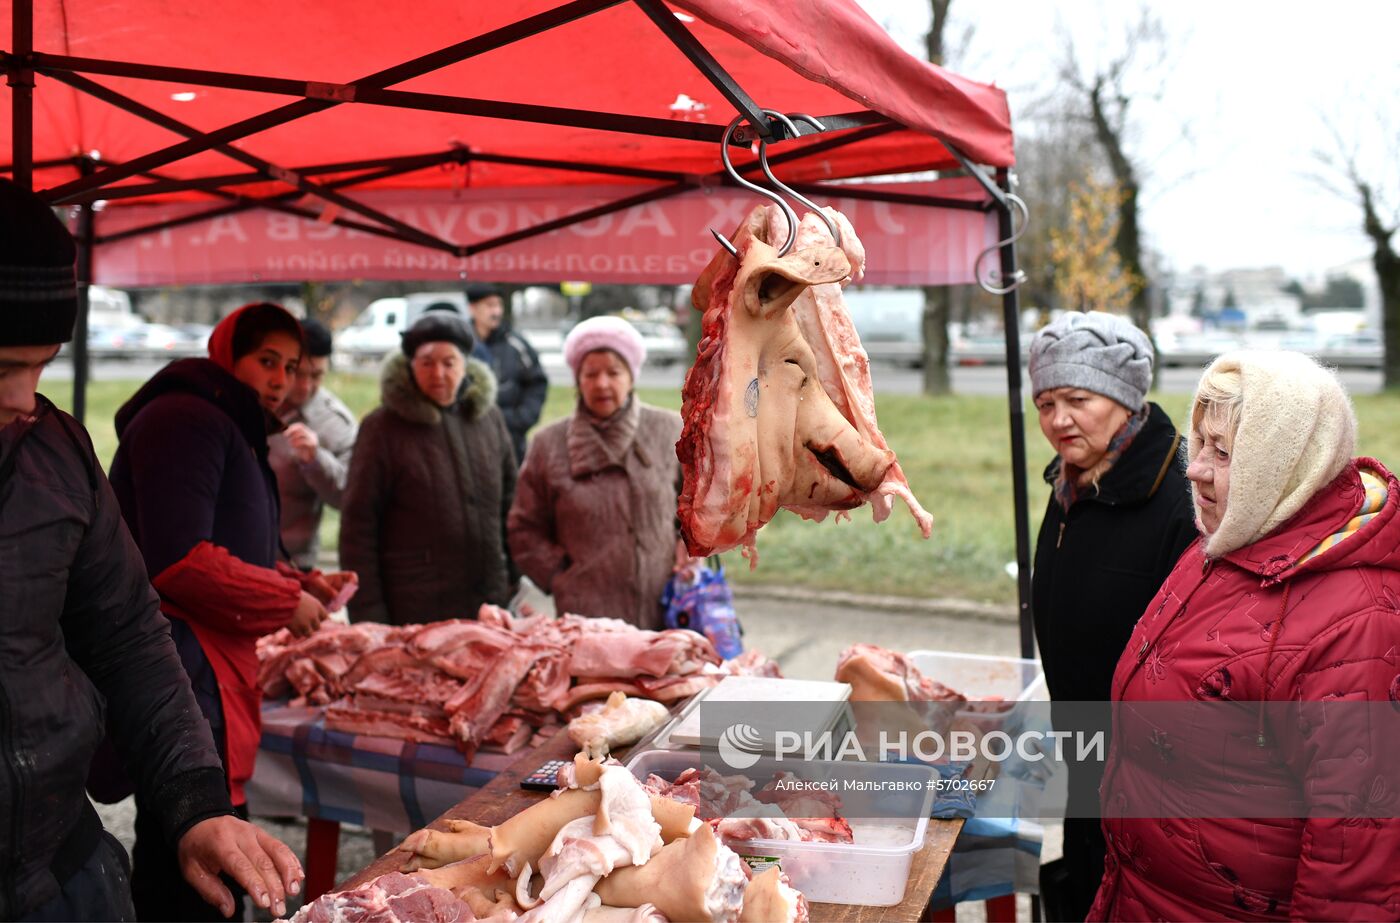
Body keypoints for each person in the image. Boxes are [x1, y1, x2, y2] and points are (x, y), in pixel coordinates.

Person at [0, 178, 302, 922]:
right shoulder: (184, 420)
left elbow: (130, 634)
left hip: (64, 869)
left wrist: (193, 803)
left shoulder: (56, 446)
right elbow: (182, 561)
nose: (23, 399)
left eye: (41, 366)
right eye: (2, 369)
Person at [1089, 351, 1400, 921]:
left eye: (1223, 452)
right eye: (1198, 442)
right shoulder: (1232, 543)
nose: (1194, 468)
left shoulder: (1359, 623)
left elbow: (1355, 869)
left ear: (1285, 463)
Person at [109, 301, 350, 921]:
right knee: (190, 855)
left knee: (212, 848)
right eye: (265, 360)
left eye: (290, 366)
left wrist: (303, 583)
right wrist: (282, 598)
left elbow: (236, 547)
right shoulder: (185, 418)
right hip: (181, 669)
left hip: (217, 668)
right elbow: (179, 560)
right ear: (226, 354)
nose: (280, 378)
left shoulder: (232, 424)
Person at [1025, 311, 1196, 921]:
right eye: (1045, 402)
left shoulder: (1178, 498)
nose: (1058, 419)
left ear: (1126, 399)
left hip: (1151, 768)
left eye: (1077, 398)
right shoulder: (1073, 481)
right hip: (1085, 742)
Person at [508, 315, 684, 628]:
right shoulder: (548, 444)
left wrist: (687, 556)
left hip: (666, 610)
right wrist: (560, 575)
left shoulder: (669, 430)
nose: (602, 383)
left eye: (614, 372)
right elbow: (524, 528)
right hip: (586, 618)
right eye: (591, 374)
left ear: (631, 377)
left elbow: (698, 511)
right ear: (578, 381)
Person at [340, 312, 517, 623]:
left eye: (449, 363)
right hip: (412, 608)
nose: (438, 373)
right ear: (409, 367)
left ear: (465, 367)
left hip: (487, 604)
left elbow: (511, 506)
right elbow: (358, 527)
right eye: (426, 362)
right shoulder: (382, 428)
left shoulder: (488, 420)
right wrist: (368, 614)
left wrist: (515, 580)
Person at [269, 317, 358, 570]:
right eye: (297, 373)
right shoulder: (255, 402)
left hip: (295, 564)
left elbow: (348, 497)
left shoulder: (336, 422)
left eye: (317, 375)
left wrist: (315, 460)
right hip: (236, 555)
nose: (306, 386)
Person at [466, 282, 548, 464]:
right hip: (469, 441)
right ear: (472, 308)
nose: (496, 311)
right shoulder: (461, 346)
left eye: (498, 305)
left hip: (511, 441)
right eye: (489, 305)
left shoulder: (516, 344)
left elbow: (537, 382)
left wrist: (521, 419)